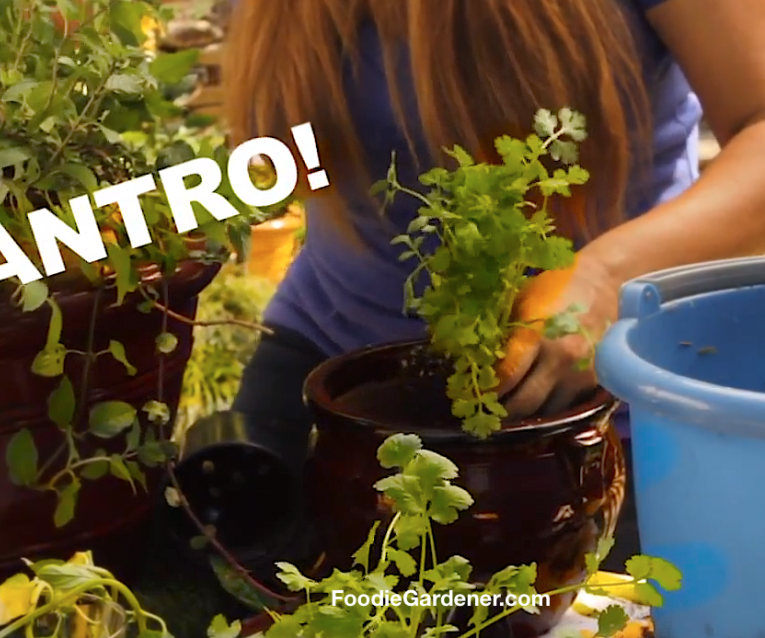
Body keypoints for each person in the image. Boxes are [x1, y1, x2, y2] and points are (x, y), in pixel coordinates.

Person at [223, 0, 765, 568]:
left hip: (591, 417)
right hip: (331, 378)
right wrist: (153, 214)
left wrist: (606, 279)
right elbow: (297, 156)